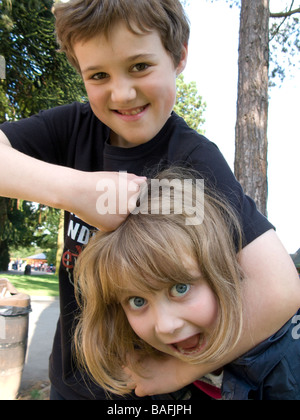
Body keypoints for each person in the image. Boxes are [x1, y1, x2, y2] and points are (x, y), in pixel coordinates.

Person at [0, 0, 299, 400]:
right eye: (99, 75)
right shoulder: (73, 129)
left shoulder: (193, 164)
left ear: (179, 56)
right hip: (70, 384)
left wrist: (180, 369)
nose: (122, 93)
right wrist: (75, 191)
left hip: (151, 396)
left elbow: (278, 289)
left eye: (140, 66)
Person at [74, 168, 300, 400]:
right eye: (137, 301)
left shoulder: (288, 367)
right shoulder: (152, 373)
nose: (165, 326)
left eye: (180, 288)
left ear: (224, 271)